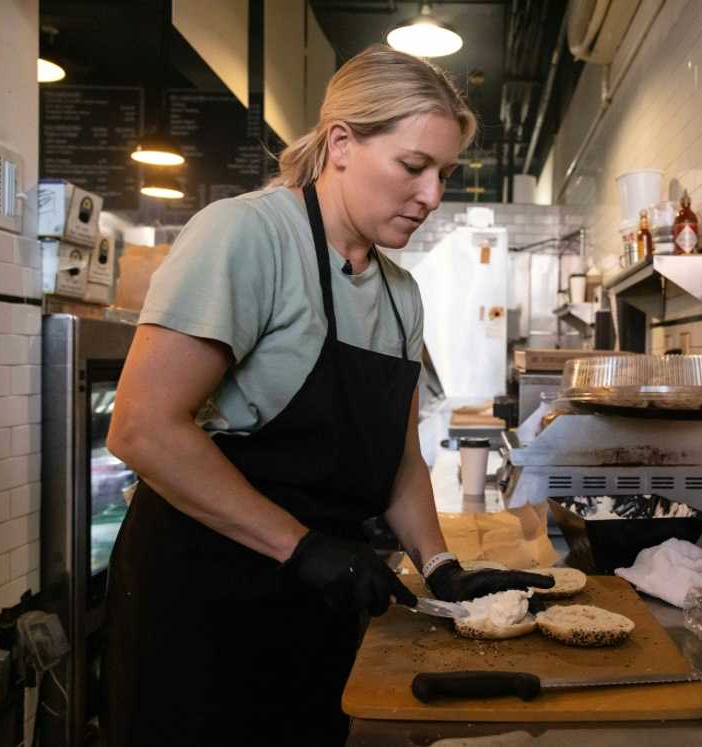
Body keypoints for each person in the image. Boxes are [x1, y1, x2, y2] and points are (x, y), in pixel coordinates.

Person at [103, 45, 553, 747]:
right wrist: (302, 546)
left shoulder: (402, 295)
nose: (433, 196)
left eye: (445, 174)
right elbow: (143, 428)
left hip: (320, 604)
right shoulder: (247, 236)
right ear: (340, 143)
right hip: (203, 601)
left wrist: (442, 567)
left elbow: (397, 459)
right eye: (413, 167)